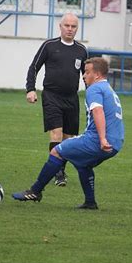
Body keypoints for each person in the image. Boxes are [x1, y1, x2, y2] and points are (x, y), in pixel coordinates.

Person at [13, 57, 124, 209]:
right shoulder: (109, 90)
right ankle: (90, 203)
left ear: (97, 75)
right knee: (83, 164)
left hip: (98, 140)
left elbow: (98, 111)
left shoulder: (95, 89)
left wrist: (103, 139)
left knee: (57, 151)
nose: (83, 76)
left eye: (86, 72)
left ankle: (35, 191)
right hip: (117, 142)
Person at [25, 13, 88, 187]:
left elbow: (87, 76)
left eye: (73, 26)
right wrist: (30, 89)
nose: (69, 29)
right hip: (51, 96)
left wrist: (93, 95)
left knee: (68, 139)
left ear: (77, 28)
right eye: (66, 25)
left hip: (71, 99)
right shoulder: (49, 46)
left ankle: (60, 167)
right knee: (56, 134)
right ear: (60, 26)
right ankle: (58, 173)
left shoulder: (82, 50)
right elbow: (34, 67)